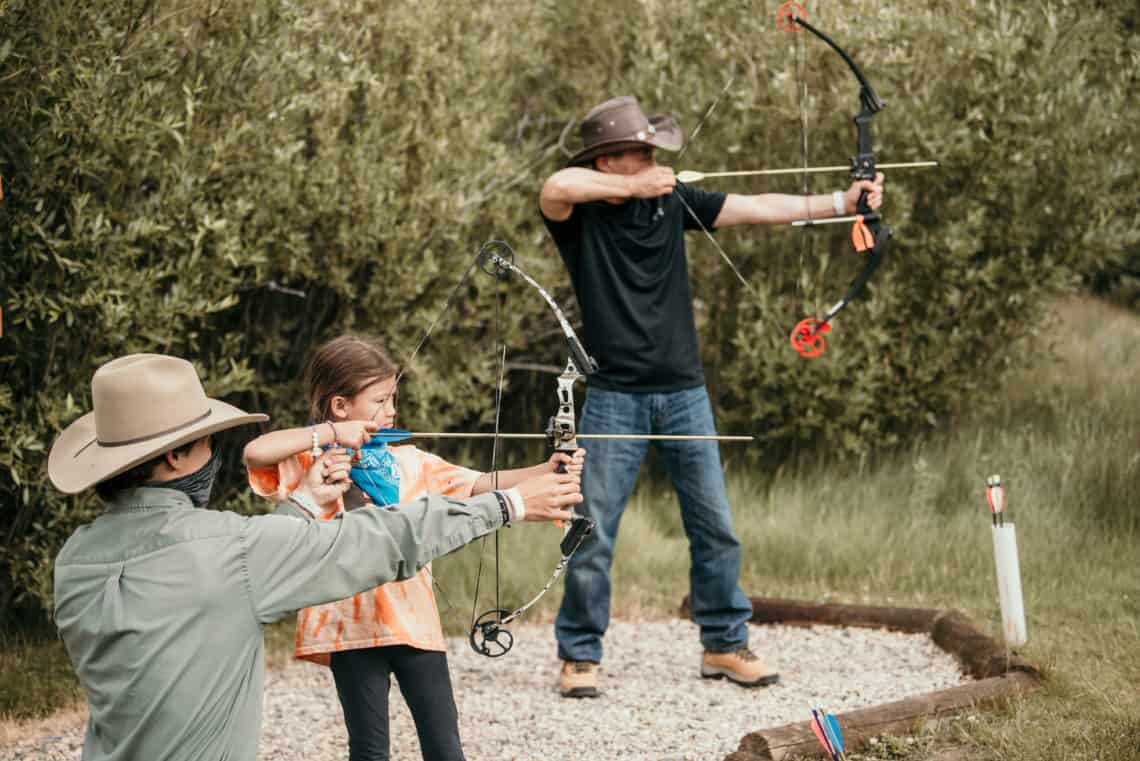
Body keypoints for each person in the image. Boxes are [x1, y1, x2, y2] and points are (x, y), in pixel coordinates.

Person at [48, 353, 582, 761]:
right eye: (205, 440)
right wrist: (510, 504)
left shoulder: (74, 562)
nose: (214, 453)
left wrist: (304, 502)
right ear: (173, 456)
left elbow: (233, 565)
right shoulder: (230, 551)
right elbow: (378, 540)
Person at [539, 95, 885, 698]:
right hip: (615, 395)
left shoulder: (674, 205)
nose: (653, 161)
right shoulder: (579, 217)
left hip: (684, 393)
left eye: (653, 151)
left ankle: (724, 645)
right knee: (591, 527)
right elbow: (554, 184)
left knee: (715, 526)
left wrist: (840, 203)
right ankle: (579, 655)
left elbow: (759, 207)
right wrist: (634, 186)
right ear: (606, 161)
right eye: (639, 153)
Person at [242, 334, 585, 761]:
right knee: (369, 751)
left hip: (413, 621)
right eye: (381, 401)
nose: (392, 411)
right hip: (349, 630)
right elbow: (256, 452)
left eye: (393, 399)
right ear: (340, 406)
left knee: (444, 747)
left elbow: (479, 484)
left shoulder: (410, 461)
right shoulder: (313, 462)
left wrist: (546, 469)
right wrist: (329, 435)